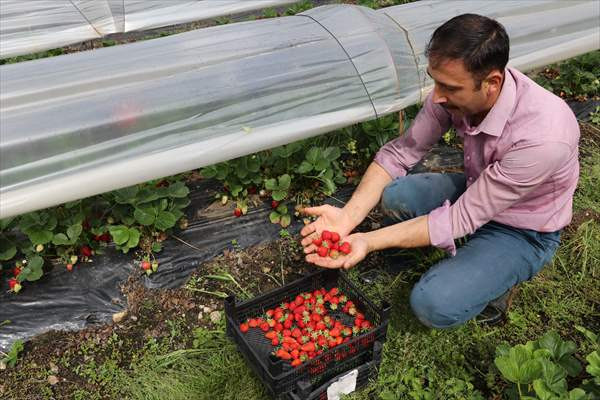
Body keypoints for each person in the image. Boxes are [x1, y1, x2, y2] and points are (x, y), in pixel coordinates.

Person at [300, 14, 580, 329]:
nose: (436, 96)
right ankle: (458, 258)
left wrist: (367, 241)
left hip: (522, 229)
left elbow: (459, 218)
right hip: (479, 189)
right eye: (434, 81)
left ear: (492, 83)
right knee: (396, 195)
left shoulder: (543, 137)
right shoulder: (450, 95)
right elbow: (399, 153)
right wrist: (348, 217)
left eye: (448, 87)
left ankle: (499, 281)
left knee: (433, 303)